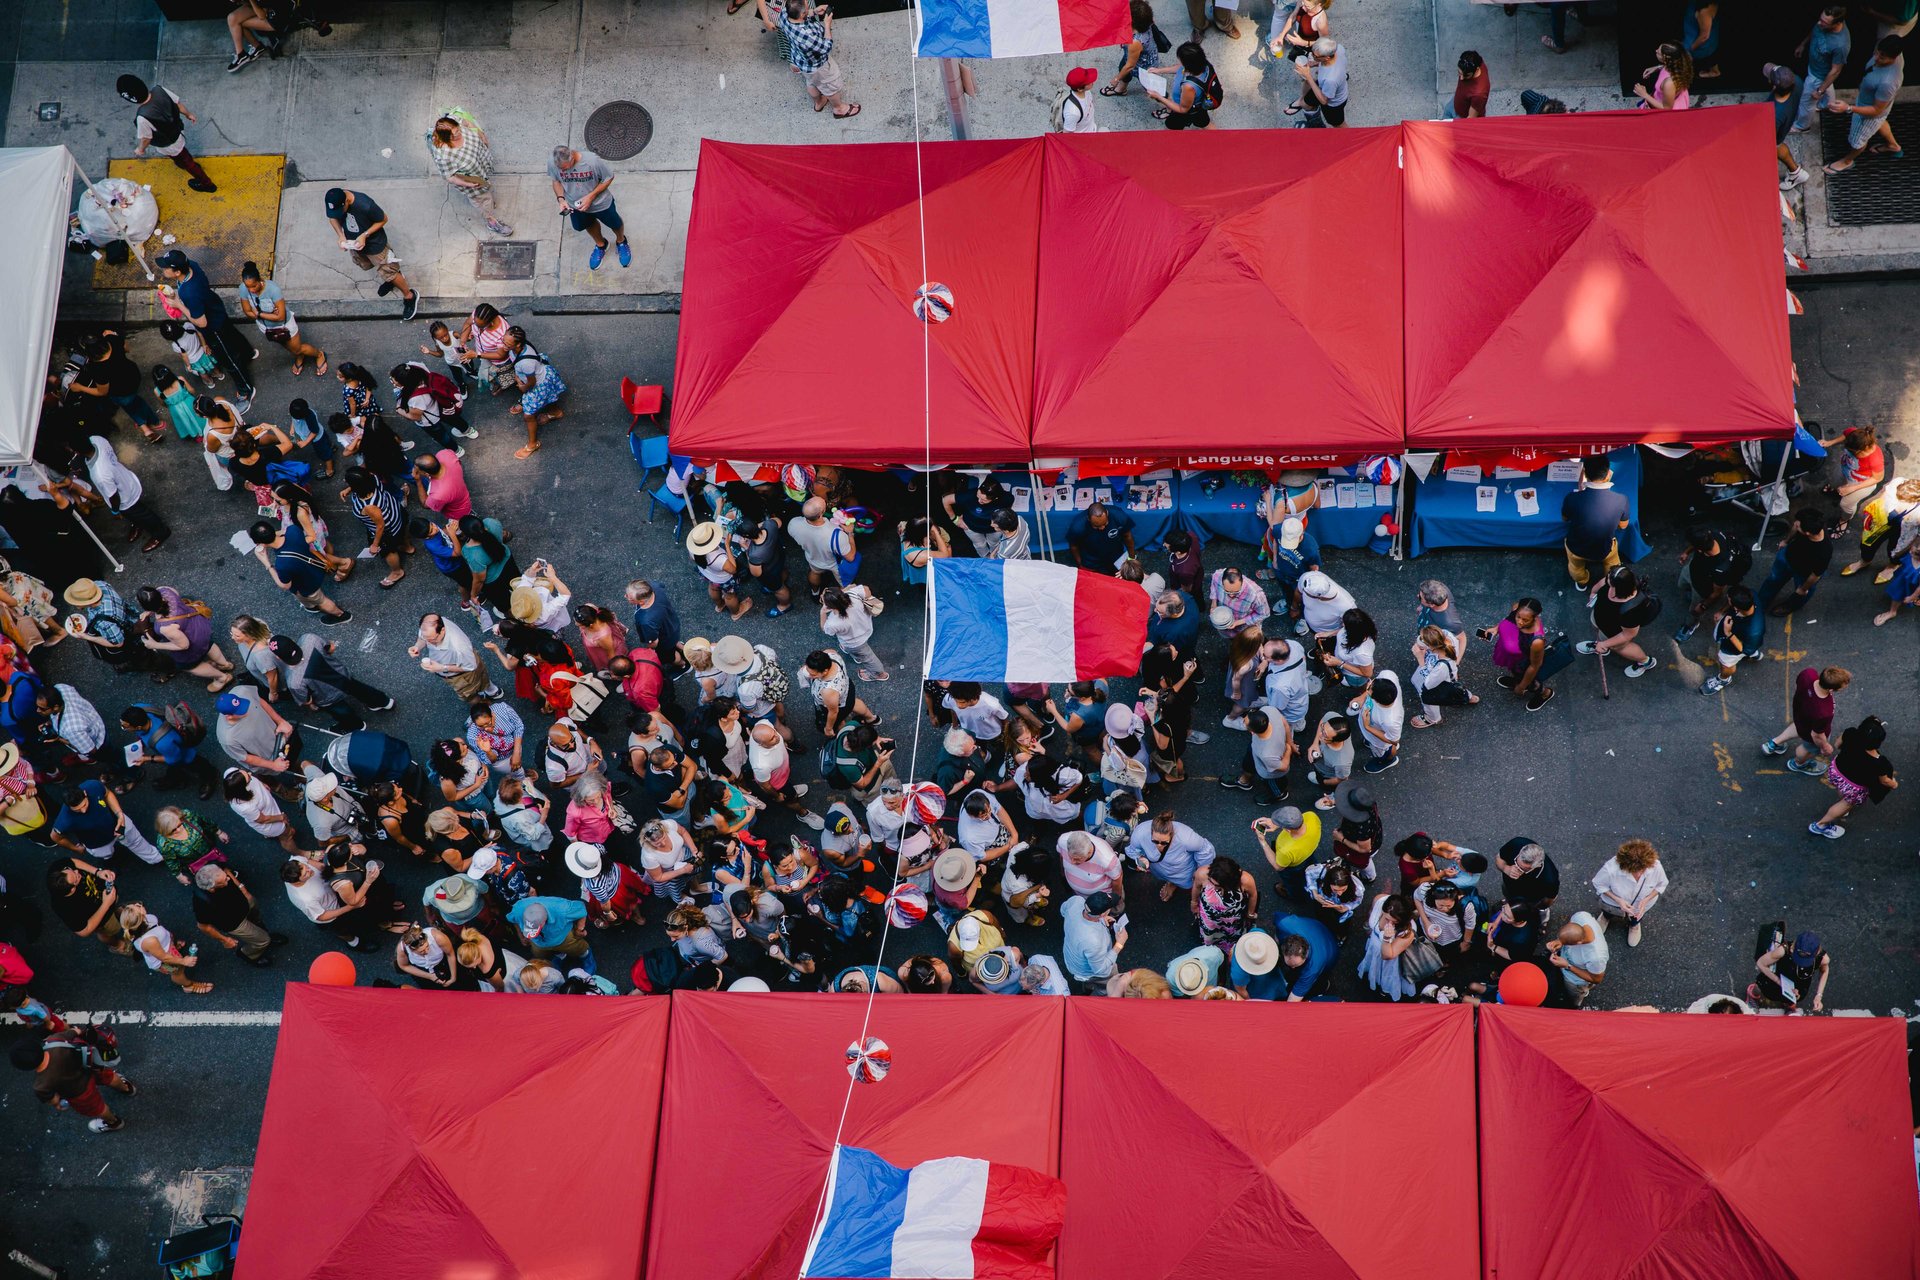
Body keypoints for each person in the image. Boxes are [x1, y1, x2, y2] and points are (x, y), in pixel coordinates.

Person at [156, 250, 253, 402]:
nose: (163, 270)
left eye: (166, 267)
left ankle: (245, 390)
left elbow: (201, 322)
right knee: (233, 334)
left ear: (177, 272)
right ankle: (248, 353)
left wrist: (178, 305)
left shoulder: (190, 292)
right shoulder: (192, 266)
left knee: (229, 360)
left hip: (213, 327)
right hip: (216, 309)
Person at [11, 1026, 137, 1133]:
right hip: (90, 1067)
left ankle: (113, 1122)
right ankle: (127, 1088)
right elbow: (75, 1031)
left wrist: (58, 1105)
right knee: (110, 1077)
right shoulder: (54, 1040)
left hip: (79, 1092)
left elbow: (54, 1100)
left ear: (25, 1067)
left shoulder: (41, 1085)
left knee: (98, 1108)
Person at [323, 187, 418, 320]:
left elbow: (383, 219)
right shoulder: (335, 201)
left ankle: (409, 296)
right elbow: (332, 218)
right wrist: (341, 236)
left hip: (375, 245)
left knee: (389, 271)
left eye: (340, 210)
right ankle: (391, 280)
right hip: (356, 245)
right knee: (369, 265)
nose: (337, 214)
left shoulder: (365, 204)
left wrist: (365, 235)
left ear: (347, 202)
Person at [115, 75, 216, 192]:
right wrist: (188, 114)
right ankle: (186, 163)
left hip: (169, 143)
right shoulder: (159, 90)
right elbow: (178, 104)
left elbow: (146, 138)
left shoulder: (142, 117)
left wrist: (140, 149)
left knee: (185, 160)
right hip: (178, 130)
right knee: (182, 155)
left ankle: (207, 184)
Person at [1825, 34, 1905, 175]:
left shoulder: (1888, 82)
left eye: (1882, 57)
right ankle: (1893, 146)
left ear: (1894, 57)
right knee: (1880, 122)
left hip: (1868, 113)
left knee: (1858, 140)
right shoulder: (1889, 53)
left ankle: (1847, 161)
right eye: (1877, 52)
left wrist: (1848, 108)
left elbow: (1876, 110)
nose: (1876, 58)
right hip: (1874, 104)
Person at [767, 0, 861, 119]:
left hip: (802, 62)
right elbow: (826, 47)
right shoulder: (807, 36)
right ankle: (839, 109)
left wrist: (813, 12)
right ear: (802, 15)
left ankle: (819, 102)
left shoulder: (785, 14)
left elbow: (800, 14)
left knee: (811, 82)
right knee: (830, 86)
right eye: (806, 5)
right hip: (818, 66)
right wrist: (827, 25)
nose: (807, 2)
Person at [428, 109, 514, 237]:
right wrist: (469, 185)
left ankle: (487, 203)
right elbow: (449, 177)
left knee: (487, 195)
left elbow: (466, 121)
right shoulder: (444, 155)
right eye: (454, 134)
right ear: (447, 138)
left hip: (481, 164)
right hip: (472, 181)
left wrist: (480, 134)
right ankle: (491, 221)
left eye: (458, 130)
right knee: (483, 200)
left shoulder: (454, 121)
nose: (459, 133)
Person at [1808, 715, 1897, 839]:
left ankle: (1841, 805)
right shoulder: (1879, 762)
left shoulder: (1850, 733)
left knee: (1842, 790)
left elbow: (1838, 744)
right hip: (1853, 786)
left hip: (1837, 771)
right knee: (1847, 803)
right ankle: (1821, 825)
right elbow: (1885, 781)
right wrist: (1894, 784)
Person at [548, 145, 629, 270]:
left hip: (601, 203)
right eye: (560, 169)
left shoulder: (592, 161)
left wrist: (591, 197)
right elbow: (556, 181)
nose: (563, 172)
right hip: (575, 205)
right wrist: (561, 199)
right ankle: (601, 245)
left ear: (572, 158)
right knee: (588, 225)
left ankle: (621, 241)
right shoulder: (554, 163)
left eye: (565, 169)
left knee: (615, 223)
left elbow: (609, 178)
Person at [237, 261, 325, 375]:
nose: (251, 290)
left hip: (284, 325)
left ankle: (319, 355)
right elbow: (247, 311)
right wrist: (270, 314)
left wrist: (259, 314)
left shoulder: (273, 290)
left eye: (254, 286)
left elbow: (280, 317)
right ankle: (299, 356)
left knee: (297, 348)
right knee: (287, 345)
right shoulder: (243, 288)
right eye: (248, 287)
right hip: (266, 327)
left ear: (260, 280)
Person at [49, 779, 162, 867]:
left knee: (136, 841)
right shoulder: (64, 820)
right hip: (98, 843)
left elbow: (107, 793)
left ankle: (156, 858)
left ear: (85, 793)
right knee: (107, 854)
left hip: (118, 824)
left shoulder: (92, 786)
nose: (83, 811)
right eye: (77, 809)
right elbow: (55, 837)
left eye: (84, 805)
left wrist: (119, 814)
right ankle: (109, 859)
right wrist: (75, 849)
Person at [1575, 566, 1660, 678]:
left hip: (1613, 632)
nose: (1607, 581)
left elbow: (1628, 634)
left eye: (1610, 582)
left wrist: (1605, 644)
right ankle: (1602, 649)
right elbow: (1598, 587)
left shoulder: (1631, 610)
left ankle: (1645, 662)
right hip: (1601, 619)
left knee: (1620, 648)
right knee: (1598, 631)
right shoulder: (1612, 579)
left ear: (1621, 588)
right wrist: (1592, 595)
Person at [1560, 455, 1630, 587]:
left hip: (1575, 548)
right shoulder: (1622, 500)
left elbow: (1565, 519)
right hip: (1604, 549)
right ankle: (1611, 580)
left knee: (1576, 568)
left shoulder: (1571, 498)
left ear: (1585, 473)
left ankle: (1582, 582)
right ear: (1608, 474)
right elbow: (1623, 526)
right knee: (1612, 563)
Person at [1764, 666, 1848, 775]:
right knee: (1808, 747)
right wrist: (1825, 746)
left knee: (1798, 726)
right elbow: (1816, 735)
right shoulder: (1824, 712)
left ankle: (1774, 744)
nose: (1844, 687)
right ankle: (1798, 764)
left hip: (1800, 715)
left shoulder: (1808, 674)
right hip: (1812, 728)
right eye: (1842, 687)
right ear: (1831, 689)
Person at [1676, 524, 1751, 641]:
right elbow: (1696, 544)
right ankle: (1690, 593)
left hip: (1701, 587)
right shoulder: (1713, 535)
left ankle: (1691, 625)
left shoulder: (1721, 569)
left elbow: (1717, 593)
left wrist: (1703, 605)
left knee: (1693, 611)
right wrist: (1686, 552)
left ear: (1699, 550)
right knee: (1681, 585)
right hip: (1692, 569)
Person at [1480, 597, 1555, 711]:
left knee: (1532, 683)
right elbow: (1507, 620)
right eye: (1518, 617)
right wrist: (1496, 629)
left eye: (1525, 620)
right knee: (1516, 674)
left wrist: (1521, 686)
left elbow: (1535, 665)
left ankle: (1544, 693)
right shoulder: (1517, 609)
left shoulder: (1536, 641)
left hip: (1522, 664)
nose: (1519, 621)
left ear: (1535, 618)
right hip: (1512, 658)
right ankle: (1517, 680)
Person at [121, 901, 213, 994]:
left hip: (165, 946)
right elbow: (164, 957)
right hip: (163, 961)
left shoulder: (144, 922)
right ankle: (188, 986)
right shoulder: (149, 941)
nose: (139, 904)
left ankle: (175, 948)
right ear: (140, 918)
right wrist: (183, 961)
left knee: (178, 964)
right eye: (138, 907)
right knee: (178, 971)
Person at [1127, 810, 1216, 905]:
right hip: (1159, 868)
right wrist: (1140, 857)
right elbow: (1133, 850)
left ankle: (1193, 892)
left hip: (1183, 870)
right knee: (1165, 876)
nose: (1159, 846)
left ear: (1172, 834)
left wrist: (1200, 872)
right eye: (1155, 841)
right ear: (1151, 832)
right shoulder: (1140, 833)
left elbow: (1205, 850)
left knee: (1191, 885)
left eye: (1164, 842)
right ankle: (1172, 883)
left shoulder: (1186, 838)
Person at [1590, 838, 1667, 948]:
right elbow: (1598, 884)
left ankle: (1634, 925)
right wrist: (1618, 900)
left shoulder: (1655, 866)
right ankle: (1605, 917)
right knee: (1609, 911)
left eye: (1642, 869)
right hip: (1613, 903)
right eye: (1635, 871)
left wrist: (1646, 900)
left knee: (1637, 916)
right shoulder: (1611, 869)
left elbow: (1661, 885)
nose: (1640, 874)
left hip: (1641, 905)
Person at [1792, 7, 1853, 140]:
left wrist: (1819, 91)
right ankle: (1826, 104)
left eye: (1824, 22)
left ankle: (1802, 126)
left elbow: (1835, 70)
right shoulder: (1823, 24)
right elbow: (1815, 31)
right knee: (1827, 86)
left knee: (1806, 101)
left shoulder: (1841, 45)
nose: (1820, 23)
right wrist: (1803, 44)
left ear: (1836, 24)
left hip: (1818, 76)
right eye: (1820, 19)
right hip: (1815, 67)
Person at [1757, 509, 1832, 615]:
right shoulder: (1813, 522)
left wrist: (1803, 589)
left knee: (1802, 593)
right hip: (1786, 558)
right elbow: (1795, 527)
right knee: (1773, 580)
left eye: (1798, 526)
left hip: (1804, 573)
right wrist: (1786, 541)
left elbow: (1815, 575)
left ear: (1807, 533)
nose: (1795, 524)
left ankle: (1790, 606)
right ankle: (1760, 603)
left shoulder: (1824, 552)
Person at [412, 613, 498, 703]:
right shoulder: (430, 626)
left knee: (470, 695)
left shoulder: (459, 646)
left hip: (463, 674)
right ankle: (491, 690)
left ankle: (483, 706)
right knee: (482, 677)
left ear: (442, 630)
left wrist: (441, 667)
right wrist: (417, 646)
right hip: (464, 660)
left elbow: (470, 666)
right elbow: (422, 638)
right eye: (426, 638)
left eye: (433, 639)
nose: (429, 642)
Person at [1751, 927, 1831, 1012]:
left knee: (1795, 997)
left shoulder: (1824, 959)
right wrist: (1779, 981)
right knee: (1761, 986)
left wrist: (1818, 996)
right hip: (1776, 978)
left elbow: (1824, 971)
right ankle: (1753, 995)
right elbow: (1761, 963)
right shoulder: (1782, 951)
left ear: (1817, 952)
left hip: (1799, 985)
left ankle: (1789, 1003)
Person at [1061, 891, 1126, 993]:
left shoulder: (1076, 901)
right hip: (1089, 972)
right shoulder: (1094, 941)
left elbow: (1063, 910)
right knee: (1106, 987)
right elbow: (1101, 970)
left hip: (1073, 960)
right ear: (1103, 913)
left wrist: (1100, 920)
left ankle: (1087, 987)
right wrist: (1119, 944)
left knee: (1088, 983)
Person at [1702, 586, 1763, 695]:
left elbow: (1742, 649)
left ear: (1736, 608)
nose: (1727, 600)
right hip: (1747, 642)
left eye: (1728, 600)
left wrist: (1728, 633)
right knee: (1750, 648)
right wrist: (1722, 611)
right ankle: (1753, 653)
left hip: (1733, 649)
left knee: (1726, 665)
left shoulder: (1753, 631)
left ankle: (1723, 680)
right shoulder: (1750, 595)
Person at [1356, 893, 1417, 1001]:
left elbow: (1387, 956)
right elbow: (1371, 915)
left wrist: (1387, 939)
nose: (1390, 923)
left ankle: (1385, 990)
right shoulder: (1379, 900)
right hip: (1374, 949)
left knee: (1386, 975)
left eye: (1395, 921)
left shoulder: (1407, 932)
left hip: (1390, 961)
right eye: (1387, 918)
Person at [820, 585, 887, 682]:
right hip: (865, 628)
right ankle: (858, 657)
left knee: (869, 658)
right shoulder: (853, 595)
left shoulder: (832, 622)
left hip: (854, 643)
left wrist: (822, 612)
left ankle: (878, 673)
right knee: (860, 653)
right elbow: (866, 589)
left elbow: (825, 629)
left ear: (829, 607)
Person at [1148, 41, 1218, 130]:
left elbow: (1183, 109)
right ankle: (1219, 137)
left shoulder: (1189, 87)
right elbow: (1180, 67)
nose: (1179, 61)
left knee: (1172, 125)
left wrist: (1159, 97)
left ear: (1188, 64)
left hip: (1189, 111)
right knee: (1204, 122)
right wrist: (1159, 70)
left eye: (1180, 60)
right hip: (1199, 106)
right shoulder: (1202, 64)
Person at [1104, 1, 1168, 96]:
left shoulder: (1136, 42)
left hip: (1144, 66)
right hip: (1135, 57)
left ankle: (1169, 105)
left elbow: (1130, 66)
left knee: (1153, 89)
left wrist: (1116, 79)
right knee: (1123, 67)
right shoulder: (1147, 21)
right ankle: (1121, 89)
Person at [1546, 911, 1608, 1005]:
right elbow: (1570, 925)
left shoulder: (1596, 957)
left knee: (1573, 997)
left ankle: (1577, 1002)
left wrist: (1567, 965)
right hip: (1566, 967)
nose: (1564, 945)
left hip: (1575, 981)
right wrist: (1559, 941)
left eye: (1567, 944)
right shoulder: (1581, 916)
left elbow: (1596, 979)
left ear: (1578, 943)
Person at [1495, 837, 1559, 924]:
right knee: (1507, 895)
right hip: (1509, 886)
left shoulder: (1549, 878)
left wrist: (1539, 907)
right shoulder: (1517, 843)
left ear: (1537, 866)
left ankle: (1542, 916)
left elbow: (1549, 899)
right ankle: (1509, 904)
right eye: (1516, 863)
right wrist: (1506, 868)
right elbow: (1499, 858)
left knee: (1535, 912)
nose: (1516, 868)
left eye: (1523, 869)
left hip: (1531, 898)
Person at [1067, 501, 1138, 573]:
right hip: (1090, 559)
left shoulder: (1119, 516)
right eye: (1097, 526)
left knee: (1124, 576)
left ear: (1107, 513)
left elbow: (1127, 536)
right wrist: (1080, 564)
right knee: (1088, 579)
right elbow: (1074, 546)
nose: (1102, 528)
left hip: (1115, 555)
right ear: (1088, 519)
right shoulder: (1077, 527)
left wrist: (1131, 558)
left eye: (1105, 524)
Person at [1294, 38, 1348, 127]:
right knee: (1305, 104)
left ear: (1326, 58)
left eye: (1315, 56)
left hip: (1334, 105)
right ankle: (1317, 124)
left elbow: (1324, 101)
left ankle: (1350, 139)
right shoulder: (1338, 49)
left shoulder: (1330, 79)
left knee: (1339, 125)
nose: (1312, 55)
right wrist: (1316, 63)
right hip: (1328, 86)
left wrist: (1308, 76)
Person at [1632, 42, 1694, 111]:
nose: (1656, 50)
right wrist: (1657, 67)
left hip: (1668, 108)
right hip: (1668, 97)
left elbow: (1667, 108)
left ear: (1665, 58)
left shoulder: (1669, 83)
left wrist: (1645, 94)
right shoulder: (1679, 64)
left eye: (1658, 52)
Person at [1875, 533, 1920, 626]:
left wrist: (1912, 597)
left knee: (1898, 596)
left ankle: (1892, 612)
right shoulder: (1911, 554)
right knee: (1898, 595)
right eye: (1916, 545)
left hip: (1909, 583)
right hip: (1904, 581)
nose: (1917, 548)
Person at [1053, 66, 1100, 133]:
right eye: (1089, 82)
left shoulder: (1087, 92)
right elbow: (1067, 133)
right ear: (1080, 89)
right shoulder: (1073, 112)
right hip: (1083, 139)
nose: (1092, 81)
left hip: (1091, 129)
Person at [1446, 50, 1489, 118]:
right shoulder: (1476, 61)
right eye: (1460, 73)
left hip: (1461, 117)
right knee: (1447, 110)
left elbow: (1471, 118)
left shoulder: (1479, 94)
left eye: (1466, 76)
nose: (1461, 78)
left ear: (1477, 70)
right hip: (1455, 103)